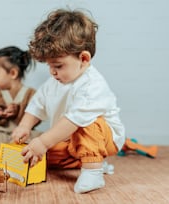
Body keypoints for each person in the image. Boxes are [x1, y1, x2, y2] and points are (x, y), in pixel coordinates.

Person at [11, 9, 125, 194]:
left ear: (84, 59)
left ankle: (93, 169)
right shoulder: (55, 82)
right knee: (44, 155)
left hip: (103, 136)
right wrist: (25, 126)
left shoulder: (92, 86)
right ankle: (84, 158)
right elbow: (37, 104)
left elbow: (74, 120)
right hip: (69, 138)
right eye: (49, 66)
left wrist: (43, 142)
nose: (52, 72)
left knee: (86, 124)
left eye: (58, 65)